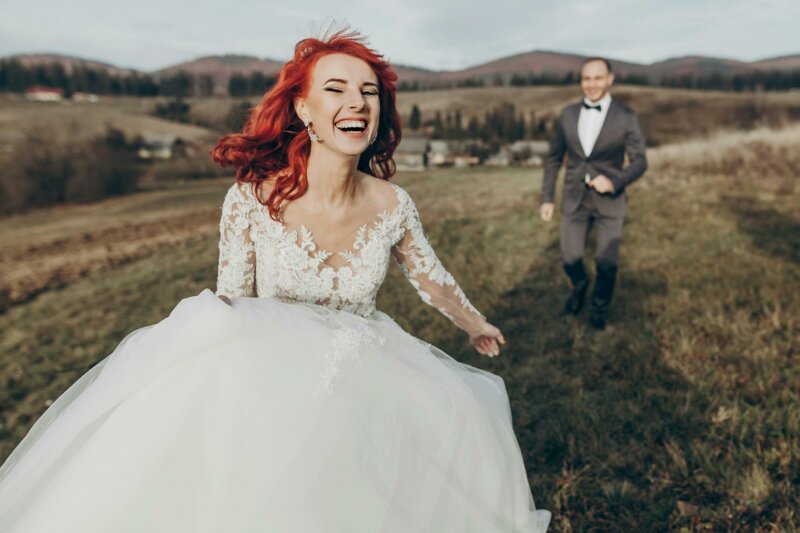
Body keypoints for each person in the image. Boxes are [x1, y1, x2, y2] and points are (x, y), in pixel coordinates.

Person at [0, 31, 550, 533]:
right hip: (271, 385)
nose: (357, 102)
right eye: (336, 89)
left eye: (370, 92)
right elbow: (230, 307)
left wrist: (474, 321)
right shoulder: (252, 200)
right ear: (303, 109)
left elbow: (430, 276)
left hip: (367, 373)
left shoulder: (393, 204)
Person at [540, 57, 648, 331]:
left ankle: (598, 314)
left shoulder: (626, 117)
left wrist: (614, 181)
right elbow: (553, 158)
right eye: (586, 78)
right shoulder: (567, 115)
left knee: (606, 263)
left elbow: (639, 162)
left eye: (598, 78)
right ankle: (579, 285)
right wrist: (547, 198)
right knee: (570, 258)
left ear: (610, 79)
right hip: (574, 200)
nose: (592, 84)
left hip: (610, 202)